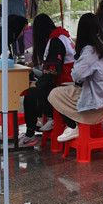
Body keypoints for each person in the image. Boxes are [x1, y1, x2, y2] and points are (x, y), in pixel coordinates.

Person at [49, 13, 103, 142]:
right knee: (70, 90)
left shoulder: (90, 50)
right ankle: (74, 125)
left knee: (54, 94)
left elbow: (77, 76)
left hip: (96, 105)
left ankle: (73, 125)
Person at [18, 14, 75, 147]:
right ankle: (46, 119)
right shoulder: (62, 35)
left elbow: (52, 72)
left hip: (65, 83)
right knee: (36, 86)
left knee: (30, 95)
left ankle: (32, 132)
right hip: (68, 79)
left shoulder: (56, 41)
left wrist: (36, 84)